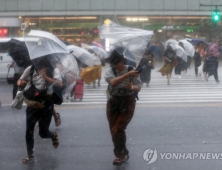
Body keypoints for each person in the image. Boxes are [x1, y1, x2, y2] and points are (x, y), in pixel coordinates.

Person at [17, 58, 62, 163]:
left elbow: (59, 84)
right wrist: (20, 83)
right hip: (33, 102)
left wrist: (46, 76)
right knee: (29, 130)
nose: (38, 62)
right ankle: (30, 155)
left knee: (43, 133)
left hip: (46, 104)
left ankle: (53, 135)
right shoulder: (31, 69)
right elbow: (20, 80)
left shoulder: (53, 70)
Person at [104, 48, 141, 165]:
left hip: (127, 102)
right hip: (113, 102)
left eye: (117, 63)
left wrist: (131, 87)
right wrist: (128, 75)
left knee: (118, 128)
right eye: (113, 63)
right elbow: (113, 82)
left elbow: (138, 87)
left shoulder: (131, 70)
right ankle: (121, 153)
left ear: (123, 61)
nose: (115, 65)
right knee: (113, 130)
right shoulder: (110, 72)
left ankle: (121, 155)